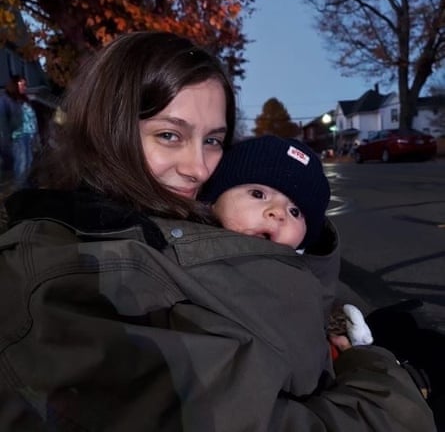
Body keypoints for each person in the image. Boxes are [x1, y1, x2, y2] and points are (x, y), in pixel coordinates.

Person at [0, 31, 436, 431]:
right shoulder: (71, 280)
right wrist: (388, 376)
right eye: (170, 134)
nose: (198, 168)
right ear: (108, 129)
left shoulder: (162, 216)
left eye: (212, 140)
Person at [199, 135, 374, 354]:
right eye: (258, 194)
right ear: (212, 202)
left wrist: (332, 345)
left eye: (294, 211)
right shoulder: (189, 266)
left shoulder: (308, 281)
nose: (278, 212)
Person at [0, 75, 39, 185]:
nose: (24, 87)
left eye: (24, 84)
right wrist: (8, 137)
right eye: (21, 84)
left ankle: (27, 185)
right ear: (14, 85)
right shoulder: (5, 99)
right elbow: (2, 120)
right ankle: (20, 188)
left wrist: (36, 135)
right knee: (21, 163)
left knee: (29, 162)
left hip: (30, 135)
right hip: (18, 136)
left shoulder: (24, 99)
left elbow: (32, 117)